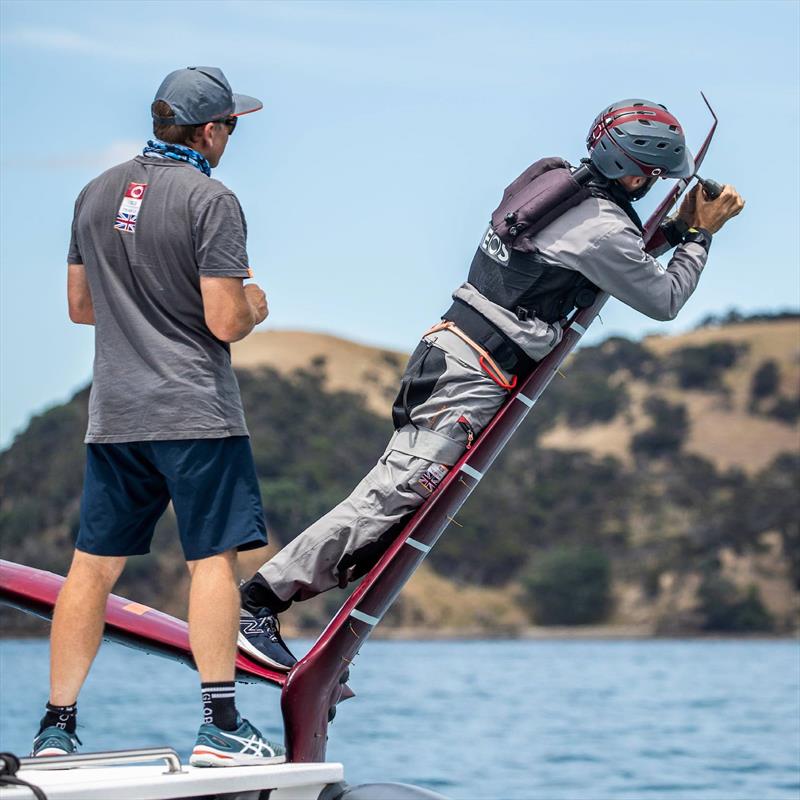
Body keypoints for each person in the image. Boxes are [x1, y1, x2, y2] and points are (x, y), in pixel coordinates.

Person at [237, 98, 745, 671]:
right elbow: (663, 298)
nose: (649, 184)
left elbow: (597, 257)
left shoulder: (554, 182)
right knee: (393, 497)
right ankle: (256, 603)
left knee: (397, 501)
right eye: (649, 174)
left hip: (452, 353)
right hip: (471, 374)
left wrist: (675, 228)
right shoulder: (603, 227)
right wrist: (700, 237)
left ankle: (274, 604)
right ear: (629, 167)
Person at [31, 66, 285, 767]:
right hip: (196, 413)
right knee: (212, 564)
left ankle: (55, 729)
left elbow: (82, 308)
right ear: (209, 130)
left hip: (115, 415)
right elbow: (226, 321)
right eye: (230, 126)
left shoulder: (94, 194)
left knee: (89, 571)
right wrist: (258, 304)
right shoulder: (212, 200)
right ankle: (221, 726)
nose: (230, 137)